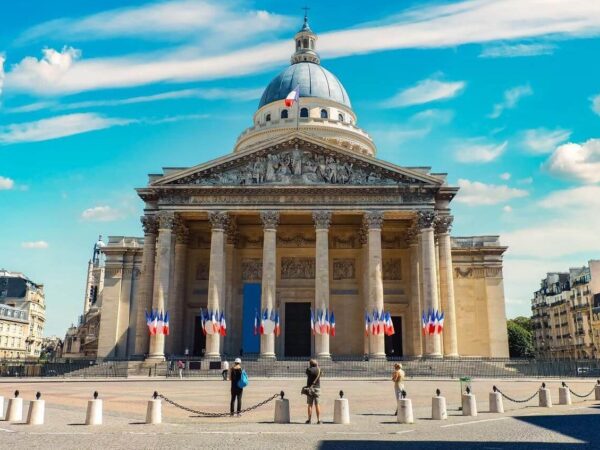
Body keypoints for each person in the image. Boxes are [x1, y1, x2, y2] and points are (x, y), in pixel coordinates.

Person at [305, 359, 322, 424]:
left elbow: (307, 372)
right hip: (317, 388)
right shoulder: (318, 370)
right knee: (317, 404)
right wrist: (317, 366)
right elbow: (321, 374)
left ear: (310, 364)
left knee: (310, 405)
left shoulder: (308, 370)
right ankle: (319, 420)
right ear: (316, 364)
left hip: (310, 389)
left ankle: (309, 420)